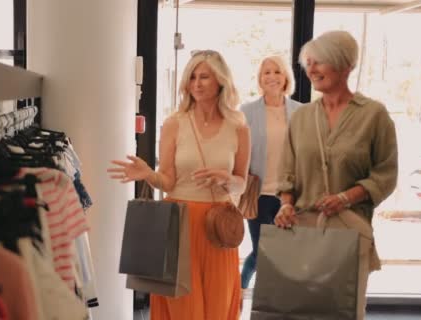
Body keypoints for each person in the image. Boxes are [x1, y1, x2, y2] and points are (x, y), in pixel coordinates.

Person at [108, 49, 250, 319]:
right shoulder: (174, 123)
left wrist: (227, 179)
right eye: (192, 76)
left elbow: (242, 184)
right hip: (178, 225)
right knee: (183, 309)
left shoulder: (239, 126)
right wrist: (148, 173)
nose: (196, 83)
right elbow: (168, 181)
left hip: (219, 227)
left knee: (219, 306)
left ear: (221, 80)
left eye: (204, 76)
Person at [274, 30, 398, 320]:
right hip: (302, 231)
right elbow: (287, 173)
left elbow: (386, 173)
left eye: (320, 62)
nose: (312, 69)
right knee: (297, 311)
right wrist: (285, 205)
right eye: (309, 62)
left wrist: (346, 197)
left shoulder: (374, 115)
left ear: (345, 65)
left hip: (349, 232)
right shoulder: (302, 116)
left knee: (344, 311)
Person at [239, 55, 302, 290]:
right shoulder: (247, 112)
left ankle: (280, 303)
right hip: (259, 194)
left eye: (277, 71)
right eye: (266, 72)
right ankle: (238, 293)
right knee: (261, 251)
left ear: (286, 77)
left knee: (286, 254)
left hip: (291, 196)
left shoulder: (301, 111)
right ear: (260, 79)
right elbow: (238, 152)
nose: (272, 76)